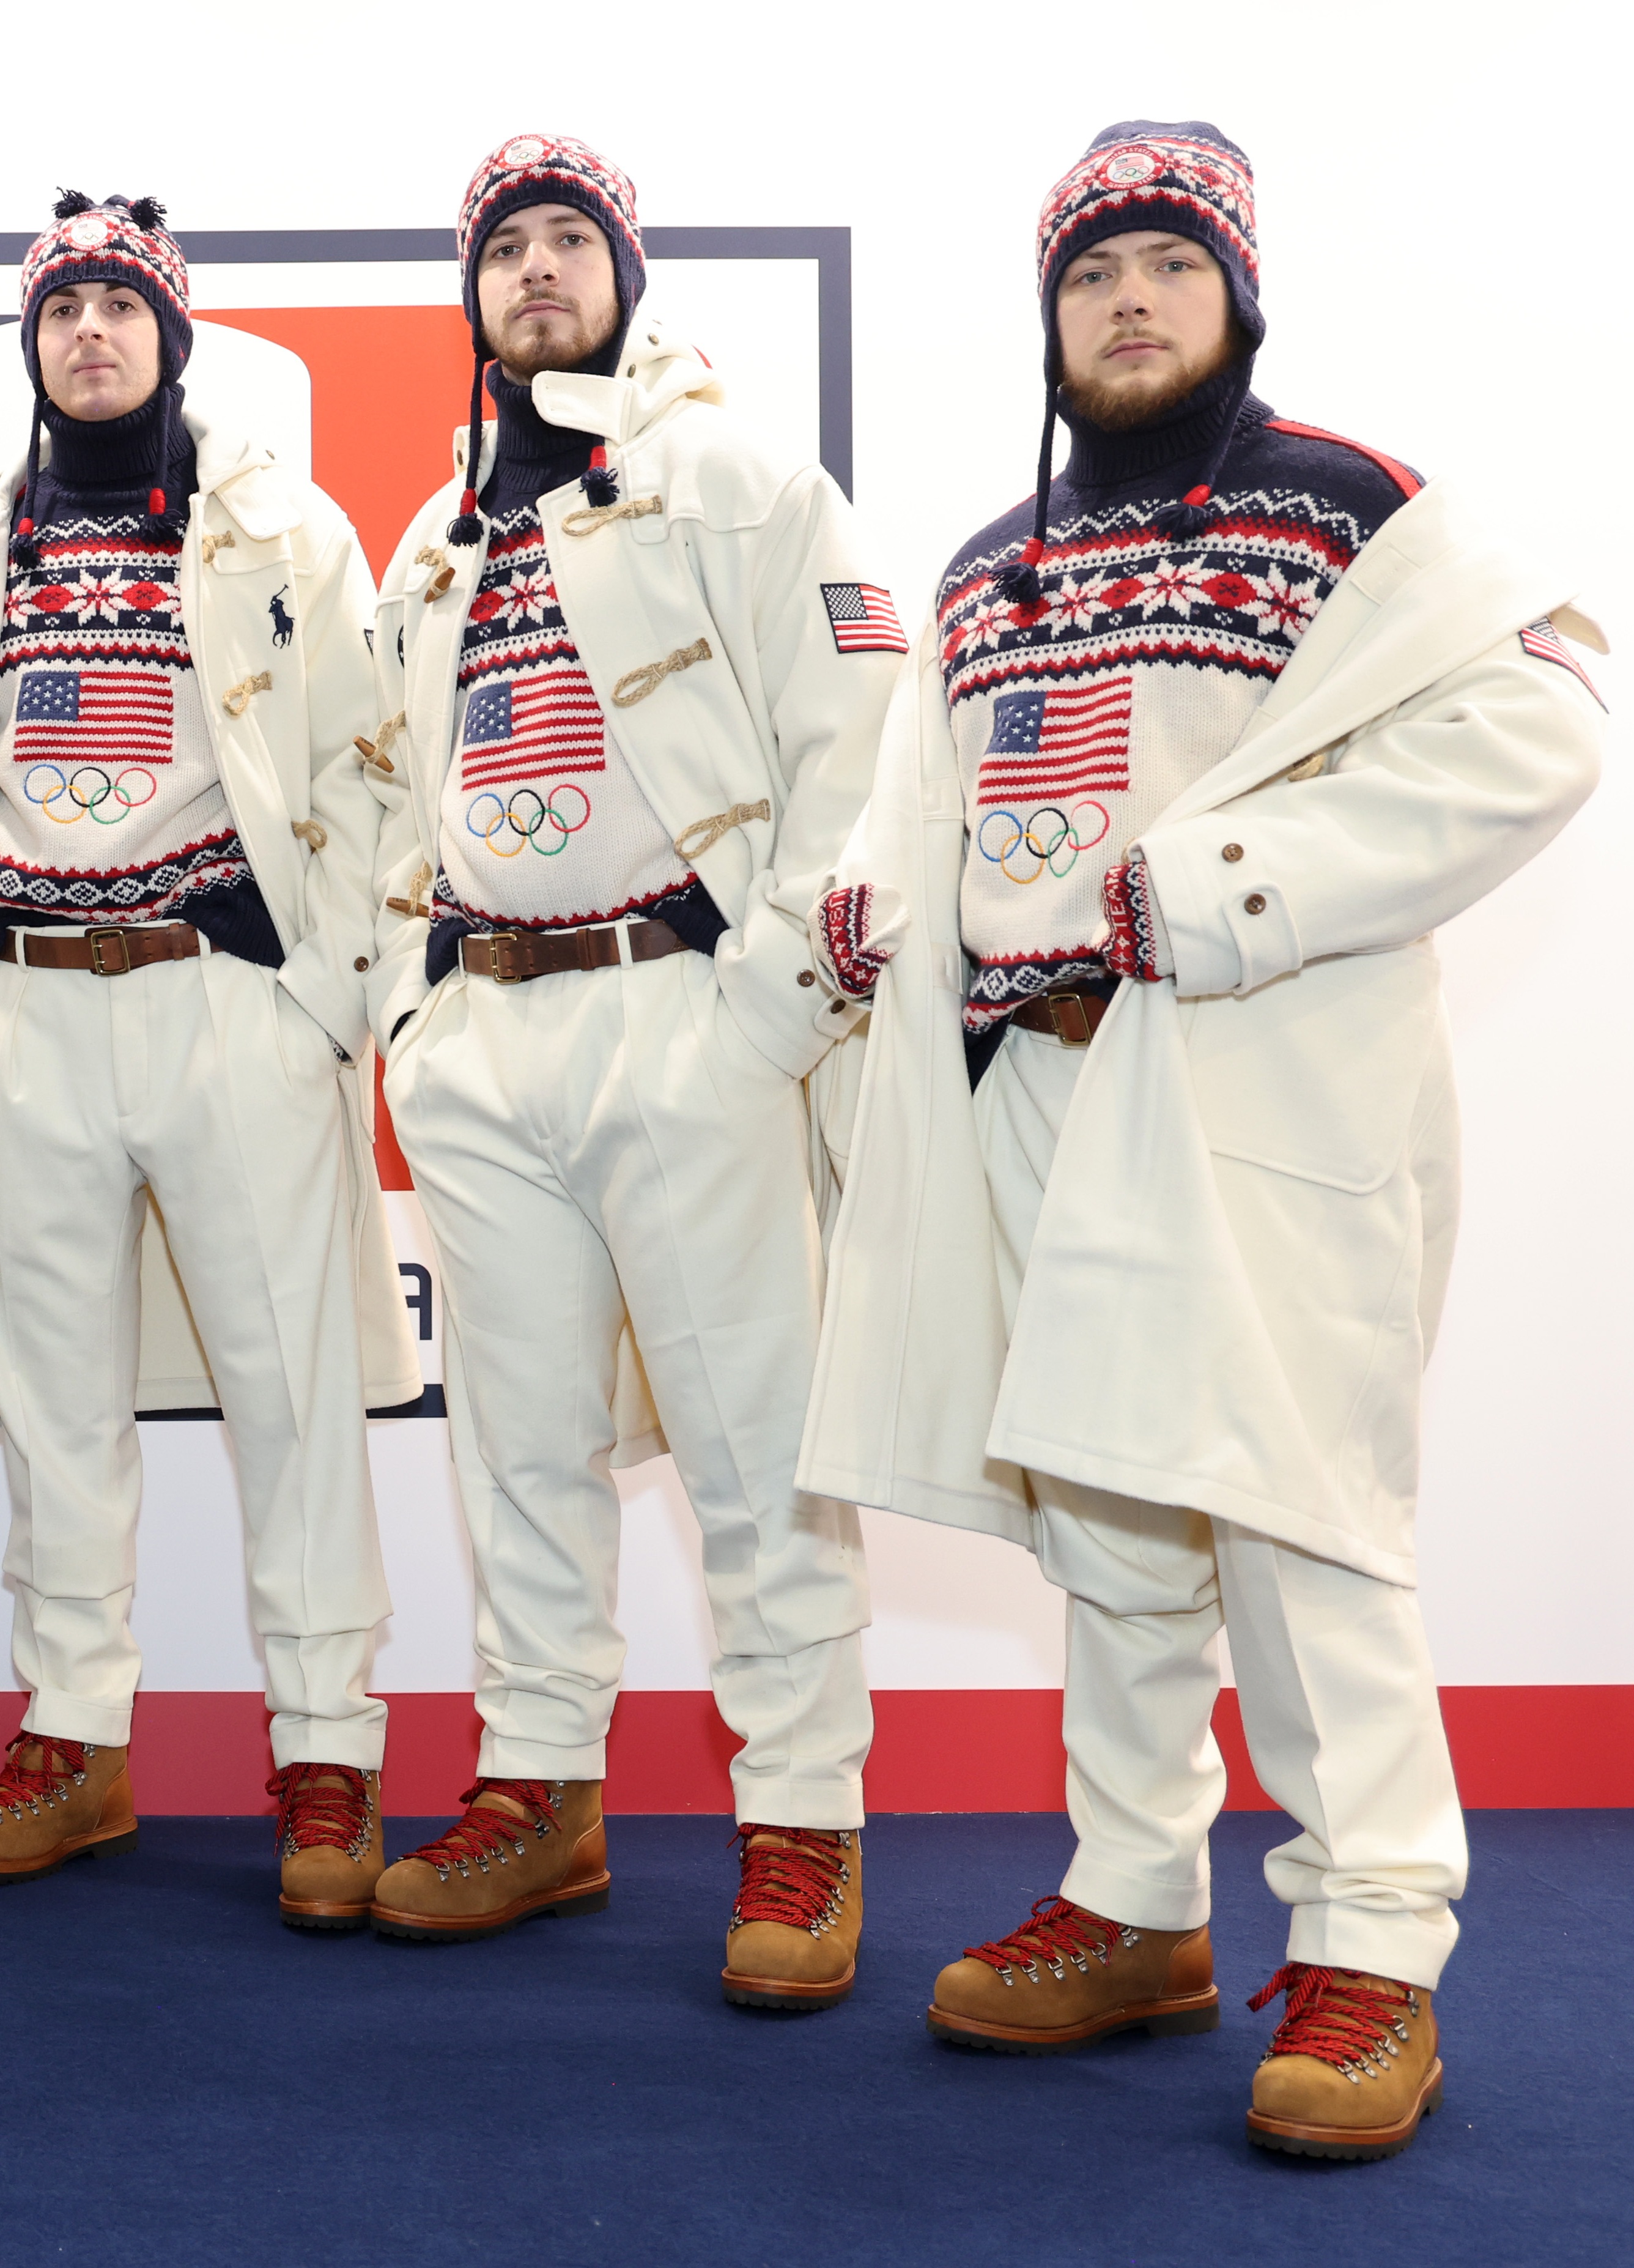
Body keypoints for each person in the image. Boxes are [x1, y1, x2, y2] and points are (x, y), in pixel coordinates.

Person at [802, 120, 1604, 2159]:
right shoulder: (988, 562)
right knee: (1111, 1517)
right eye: (1092, 273)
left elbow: (1542, 720)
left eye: (1169, 264)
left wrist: (1228, 888)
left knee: (1297, 1512)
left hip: (1252, 1075)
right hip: (1032, 1080)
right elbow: (927, 784)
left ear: (1239, 294)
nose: (1130, 300)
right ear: (1051, 316)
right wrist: (882, 884)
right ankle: (1138, 1897)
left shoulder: (1352, 508)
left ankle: (1373, 1942)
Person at [360, 135, 893, 2004]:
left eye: (569, 240)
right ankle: (542, 1788)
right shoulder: (435, 538)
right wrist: (414, 1021)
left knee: (755, 1448)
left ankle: (803, 1815)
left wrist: (765, 1016)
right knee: (519, 1444)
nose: (536, 270)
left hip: (685, 1012)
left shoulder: (735, 475)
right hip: (486, 1033)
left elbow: (859, 751)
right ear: (472, 294)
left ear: (626, 274)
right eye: (505, 245)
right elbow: (388, 799)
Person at [0, 193, 416, 1925]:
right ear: (32, 346)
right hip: (25, 1009)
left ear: (173, 337)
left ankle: (328, 1749)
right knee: (54, 1411)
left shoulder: (284, 527)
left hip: (222, 998)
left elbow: (369, 767)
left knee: (292, 1402)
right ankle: (74, 1737)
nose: (92, 332)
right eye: (64, 308)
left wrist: (320, 996)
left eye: (123, 304)